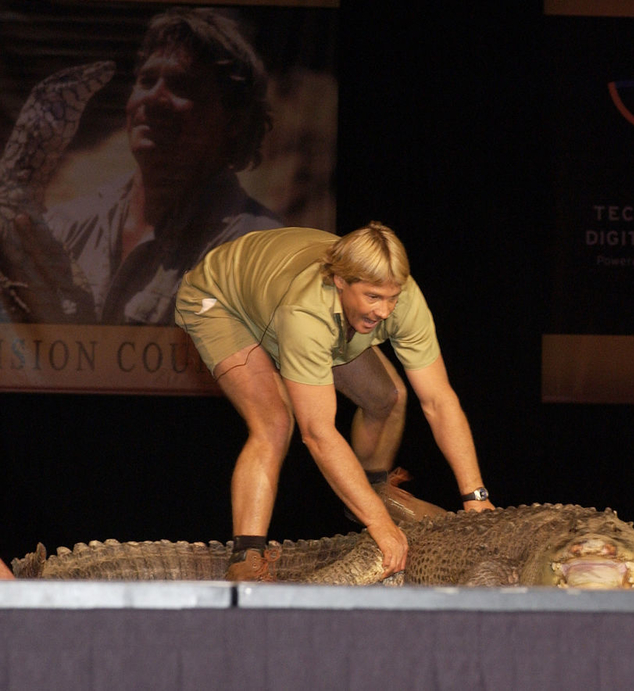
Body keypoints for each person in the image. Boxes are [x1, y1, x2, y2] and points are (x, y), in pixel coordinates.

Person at [175, 222, 495, 581]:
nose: (385, 311)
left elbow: (438, 399)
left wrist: (475, 496)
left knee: (388, 397)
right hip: (222, 301)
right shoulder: (305, 313)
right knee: (276, 423)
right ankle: (247, 556)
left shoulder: (401, 299)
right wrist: (381, 525)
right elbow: (318, 433)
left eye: (392, 297)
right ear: (341, 281)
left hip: (286, 293)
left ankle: (371, 495)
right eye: (373, 297)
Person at [37, 7, 283, 324]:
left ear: (233, 121)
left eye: (182, 86)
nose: (153, 99)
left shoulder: (255, 251)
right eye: (146, 80)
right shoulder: (68, 225)